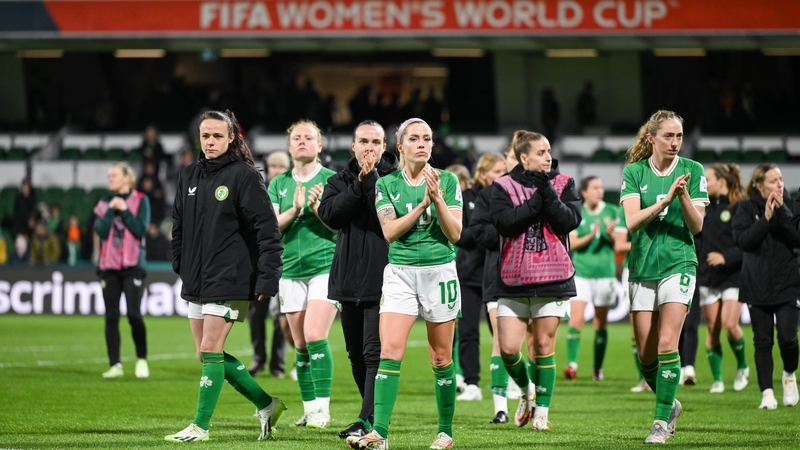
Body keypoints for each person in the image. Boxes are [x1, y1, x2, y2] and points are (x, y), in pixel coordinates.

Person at [167, 110, 286, 442]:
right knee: (206, 354)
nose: (210, 141)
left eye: (218, 136)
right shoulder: (188, 174)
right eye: (205, 136)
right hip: (196, 278)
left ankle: (200, 426)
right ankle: (267, 403)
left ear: (232, 138)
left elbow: (267, 231)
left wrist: (268, 278)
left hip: (230, 275)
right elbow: (178, 225)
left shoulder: (244, 176)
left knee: (210, 346)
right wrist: (181, 263)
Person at [347, 118, 463, 450]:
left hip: (439, 272)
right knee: (389, 352)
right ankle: (379, 433)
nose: (423, 144)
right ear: (400, 146)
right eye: (415, 138)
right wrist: (424, 205)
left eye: (427, 138)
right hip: (399, 272)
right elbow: (389, 231)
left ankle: (444, 432)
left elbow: (455, 233)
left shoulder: (449, 180)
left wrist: (438, 199)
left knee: (441, 357)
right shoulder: (385, 184)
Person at [620, 110, 708, 443]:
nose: (675, 142)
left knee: (668, 343)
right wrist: (665, 200)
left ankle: (659, 423)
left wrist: (683, 197)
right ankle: (669, 404)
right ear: (651, 138)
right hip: (642, 266)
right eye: (668, 136)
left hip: (679, 263)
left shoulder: (692, 170)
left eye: (679, 136)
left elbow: (697, 226)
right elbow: (631, 222)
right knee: (645, 356)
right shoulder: (634, 172)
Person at [489, 129, 580, 432]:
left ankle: (542, 411)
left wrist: (549, 193)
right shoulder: (501, 186)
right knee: (508, 349)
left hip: (552, 277)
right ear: (523, 157)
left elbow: (568, 221)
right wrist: (537, 200)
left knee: (543, 346)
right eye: (541, 153)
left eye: (549, 151)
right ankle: (527, 388)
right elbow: (506, 224)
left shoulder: (565, 183)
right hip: (513, 278)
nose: (548, 157)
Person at [317, 120, 399, 439]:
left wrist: (373, 181)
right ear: (353, 146)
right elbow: (330, 216)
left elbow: (388, 219)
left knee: (371, 351)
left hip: (384, 279)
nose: (369, 148)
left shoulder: (395, 181)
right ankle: (371, 412)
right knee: (355, 353)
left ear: (384, 147)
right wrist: (360, 184)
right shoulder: (339, 180)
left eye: (376, 142)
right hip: (347, 279)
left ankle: (366, 420)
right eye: (363, 141)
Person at [268, 119, 338, 428]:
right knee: (299, 344)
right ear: (289, 145)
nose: (301, 142)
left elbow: (340, 226)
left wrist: (319, 208)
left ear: (319, 145)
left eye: (309, 137)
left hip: (324, 267)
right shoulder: (278, 184)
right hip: (290, 270)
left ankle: (322, 409)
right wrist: (295, 209)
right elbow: (271, 228)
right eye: (296, 137)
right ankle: (309, 410)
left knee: (314, 335)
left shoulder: (333, 180)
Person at [732, 163, 800, 410]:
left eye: (781, 180)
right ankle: (767, 393)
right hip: (756, 284)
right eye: (773, 181)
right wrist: (766, 219)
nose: (779, 185)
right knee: (762, 341)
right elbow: (743, 241)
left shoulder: (792, 207)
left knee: (788, 338)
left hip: (788, 284)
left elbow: (797, 239)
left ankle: (789, 375)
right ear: (759, 186)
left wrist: (780, 213)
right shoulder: (745, 208)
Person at [459, 152, 509, 421]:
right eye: (497, 171)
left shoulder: (504, 196)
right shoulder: (468, 197)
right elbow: (461, 234)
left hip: (494, 272)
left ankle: (509, 382)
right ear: (483, 173)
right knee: (467, 332)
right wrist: (484, 232)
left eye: (504, 170)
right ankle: (472, 384)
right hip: (468, 273)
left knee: (503, 336)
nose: (501, 175)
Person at [93, 162, 151, 379]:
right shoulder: (104, 201)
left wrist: (125, 211)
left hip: (133, 266)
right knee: (111, 316)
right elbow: (102, 231)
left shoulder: (141, 200)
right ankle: (115, 364)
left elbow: (140, 230)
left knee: (134, 315)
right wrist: (110, 210)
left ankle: (141, 359)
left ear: (127, 178)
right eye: (109, 176)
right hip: (108, 266)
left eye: (115, 175)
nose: (110, 179)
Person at [698, 163, 749, 394]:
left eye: (707, 179)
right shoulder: (704, 208)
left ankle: (742, 365)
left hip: (733, 274)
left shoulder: (740, 207)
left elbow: (748, 243)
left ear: (722, 181)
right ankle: (717, 379)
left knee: (730, 324)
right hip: (708, 276)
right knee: (713, 329)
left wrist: (726, 258)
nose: (704, 184)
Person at [565, 176, 618, 382]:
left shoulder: (613, 211)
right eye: (595, 187)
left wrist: (611, 235)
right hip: (582, 273)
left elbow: (619, 243)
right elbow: (572, 243)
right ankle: (572, 365)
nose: (600, 191)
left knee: (600, 323)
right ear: (584, 192)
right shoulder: (577, 212)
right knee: (576, 319)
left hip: (606, 273)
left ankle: (597, 368)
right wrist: (592, 234)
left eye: (601, 187)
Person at [248, 150, 292, 379]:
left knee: (280, 316)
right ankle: (259, 358)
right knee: (256, 314)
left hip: (285, 261)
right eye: (273, 167)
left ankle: (278, 364)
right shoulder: (257, 192)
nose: (276, 171)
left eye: (281, 167)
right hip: (258, 261)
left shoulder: (293, 193)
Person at [614, 206, 651, 392]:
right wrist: (648, 243)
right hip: (635, 268)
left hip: (665, 265)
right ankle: (644, 378)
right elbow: (619, 245)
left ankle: (664, 377)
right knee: (638, 330)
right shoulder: (627, 211)